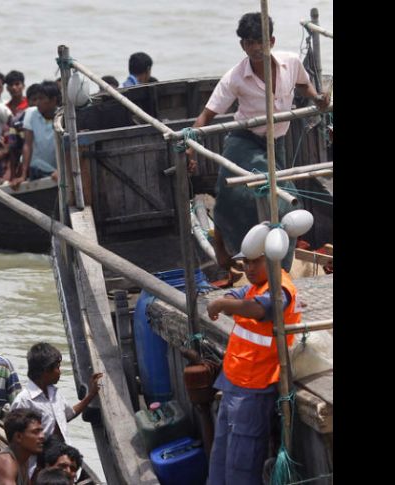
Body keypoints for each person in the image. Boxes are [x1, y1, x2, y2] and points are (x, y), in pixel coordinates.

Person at [186, 12, 330, 272]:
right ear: (242, 45)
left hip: (277, 142)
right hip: (244, 141)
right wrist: (190, 146)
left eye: (258, 41)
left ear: (271, 41)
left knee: (283, 209)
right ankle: (224, 244)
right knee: (242, 199)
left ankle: (278, 272)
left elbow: (304, 87)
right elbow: (207, 114)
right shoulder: (236, 77)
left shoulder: (291, 63)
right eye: (247, 42)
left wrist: (318, 99)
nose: (253, 47)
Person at [205, 251, 300, 485]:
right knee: (221, 456)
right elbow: (234, 298)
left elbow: (259, 309)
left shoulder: (280, 287)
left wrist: (221, 302)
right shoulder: (253, 286)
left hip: (255, 388)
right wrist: (228, 301)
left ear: (272, 259)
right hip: (233, 381)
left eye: (254, 261)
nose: (248, 268)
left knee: (242, 465)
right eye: (245, 263)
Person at [11, 343, 102, 444]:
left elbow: (68, 414)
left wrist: (91, 394)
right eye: (57, 368)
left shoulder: (54, 393)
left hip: (64, 454)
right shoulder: (24, 401)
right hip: (41, 458)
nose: (60, 372)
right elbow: (15, 439)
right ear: (46, 370)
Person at [0, 409, 44, 485]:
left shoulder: (23, 460)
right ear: (18, 437)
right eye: (35, 432)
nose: (42, 436)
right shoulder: (6, 463)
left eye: (41, 431)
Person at [14, 81, 59, 188]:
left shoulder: (63, 116)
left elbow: (67, 147)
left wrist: (61, 170)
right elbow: (27, 145)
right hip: (36, 167)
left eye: (42, 99)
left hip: (57, 170)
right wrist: (23, 175)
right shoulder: (31, 113)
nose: (37, 102)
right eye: (37, 98)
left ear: (53, 100)